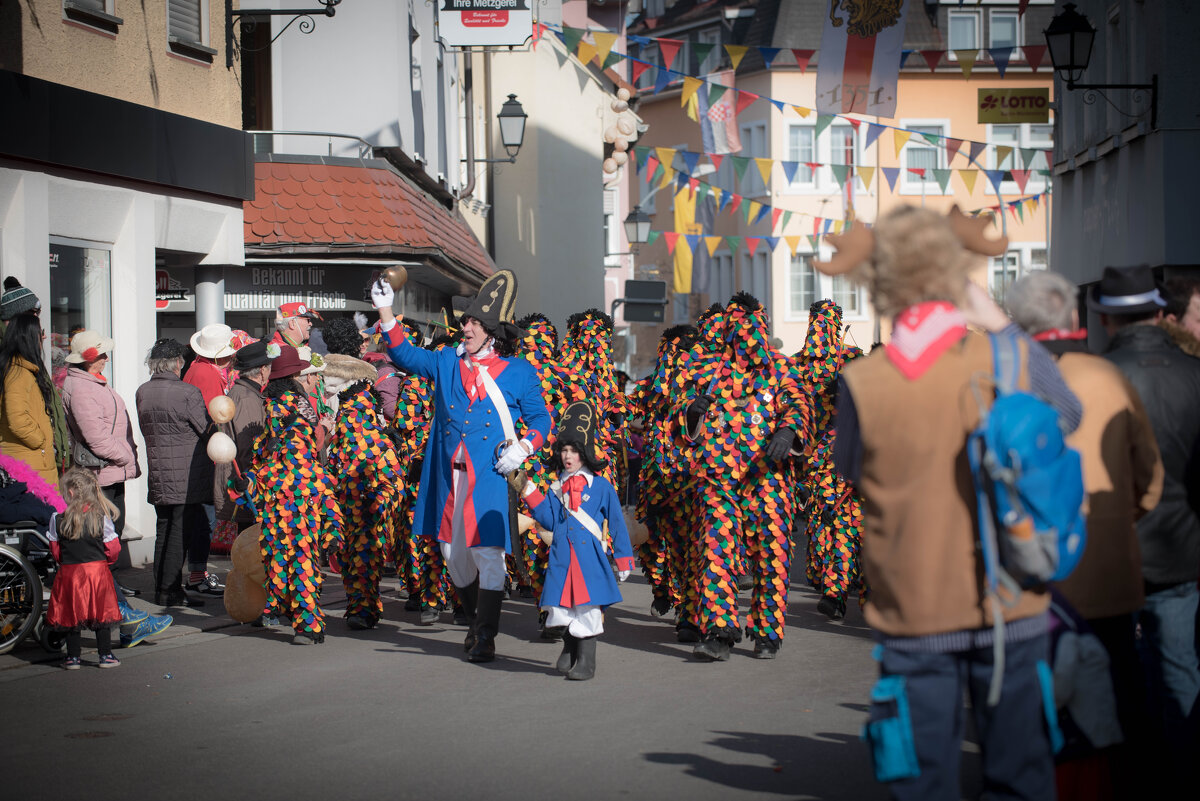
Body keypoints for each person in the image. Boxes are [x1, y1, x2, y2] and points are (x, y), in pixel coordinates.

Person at [827, 207, 1082, 800]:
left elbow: (851, 474)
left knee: (922, 784)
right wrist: (999, 323)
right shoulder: (1007, 360)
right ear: (958, 274)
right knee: (1020, 780)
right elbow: (1066, 415)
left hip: (914, 610)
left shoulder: (864, 380)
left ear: (879, 282)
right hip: (1009, 601)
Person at [1006, 270, 1165, 794]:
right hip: (1106, 571)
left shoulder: (1002, 382)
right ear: (1074, 318)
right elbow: (1149, 477)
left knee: (1035, 709)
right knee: (1119, 698)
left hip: (1029, 579)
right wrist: (1118, 521)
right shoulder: (1107, 378)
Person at [370, 270, 552, 663]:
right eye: (466, 320)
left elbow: (542, 421)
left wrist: (523, 446)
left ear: (492, 330)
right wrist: (386, 309)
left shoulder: (520, 372)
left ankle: (485, 635)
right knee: (454, 557)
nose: (465, 327)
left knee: (488, 553)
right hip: (448, 478)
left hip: (488, 475)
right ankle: (474, 623)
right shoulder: (445, 363)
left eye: (473, 322)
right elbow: (404, 354)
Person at [1092, 265, 1200, 785]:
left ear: (1107, 321)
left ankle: (1132, 776)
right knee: (1179, 673)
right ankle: (1178, 775)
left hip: (1114, 549)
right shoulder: (1193, 374)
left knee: (1119, 674)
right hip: (1181, 550)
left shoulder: (1096, 380)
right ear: (1160, 314)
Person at [676, 292, 814, 660]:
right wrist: (693, 411)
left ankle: (768, 632)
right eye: (738, 333)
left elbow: (799, 405)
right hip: (718, 478)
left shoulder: (781, 369)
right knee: (716, 551)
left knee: (771, 552)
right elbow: (679, 418)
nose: (746, 341)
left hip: (766, 478)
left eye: (753, 331)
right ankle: (720, 631)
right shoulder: (706, 371)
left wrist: (788, 432)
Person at [518, 401, 636, 681]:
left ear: (585, 453)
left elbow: (617, 524)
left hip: (589, 561)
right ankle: (570, 651)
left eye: (574, 450)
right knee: (562, 607)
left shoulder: (602, 487)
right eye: (564, 450)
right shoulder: (556, 487)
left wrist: (623, 559)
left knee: (587, 608)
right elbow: (547, 518)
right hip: (561, 558)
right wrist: (527, 489)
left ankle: (586, 661)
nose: (568, 456)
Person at [238, 344, 345, 643]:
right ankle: (287, 612)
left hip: (290, 491)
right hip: (291, 489)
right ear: (295, 374)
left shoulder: (283, 403)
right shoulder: (292, 402)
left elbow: (298, 446)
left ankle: (307, 625)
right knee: (290, 554)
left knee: (289, 554)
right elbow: (304, 444)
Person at [322, 352, 402, 631]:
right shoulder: (344, 429)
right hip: (347, 509)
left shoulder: (371, 432)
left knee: (365, 560)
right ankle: (359, 606)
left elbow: (393, 480)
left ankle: (364, 609)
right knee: (351, 562)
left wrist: (377, 503)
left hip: (367, 511)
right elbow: (335, 465)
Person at [135, 339, 217, 606]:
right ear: (177, 363)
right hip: (186, 475)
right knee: (180, 533)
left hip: (159, 471)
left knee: (164, 529)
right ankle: (171, 591)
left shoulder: (143, 391)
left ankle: (160, 588)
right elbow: (206, 430)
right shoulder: (187, 393)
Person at [60, 330, 140, 597]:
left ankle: (111, 586)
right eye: (102, 354)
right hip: (102, 471)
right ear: (88, 359)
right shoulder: (82, 388)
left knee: (111, 531)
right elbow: (95, 437)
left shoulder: (91, 382)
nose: (106, 358)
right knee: (105, 532)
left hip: (110, 470)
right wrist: (126, 455)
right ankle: (106, 591)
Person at [46, 468, 123, 669]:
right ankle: (105, 656)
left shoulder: (57, 519)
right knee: (102, 614)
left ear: (70, 493)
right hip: (97, 572)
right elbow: (113, 549)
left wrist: (66, 563)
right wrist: (104, 562)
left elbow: (55, 550)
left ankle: (73, 658)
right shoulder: (101, 517)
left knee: (72, 614)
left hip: (70, 573)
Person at [214, 340, 274, 537]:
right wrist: (250, 480)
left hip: (242, 480)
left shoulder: (245, 393)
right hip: (244, 482)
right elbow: (249, 444)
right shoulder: (247, 397)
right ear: (262, 370)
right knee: (250, 540)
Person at [0, 314, 59, 487]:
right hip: (29, 462)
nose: (44, 337)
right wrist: (40, 440)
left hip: (31, 460)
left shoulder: (21, 370)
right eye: (40, 332)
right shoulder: (17, 373)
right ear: (29, 337)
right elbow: (17, 419)